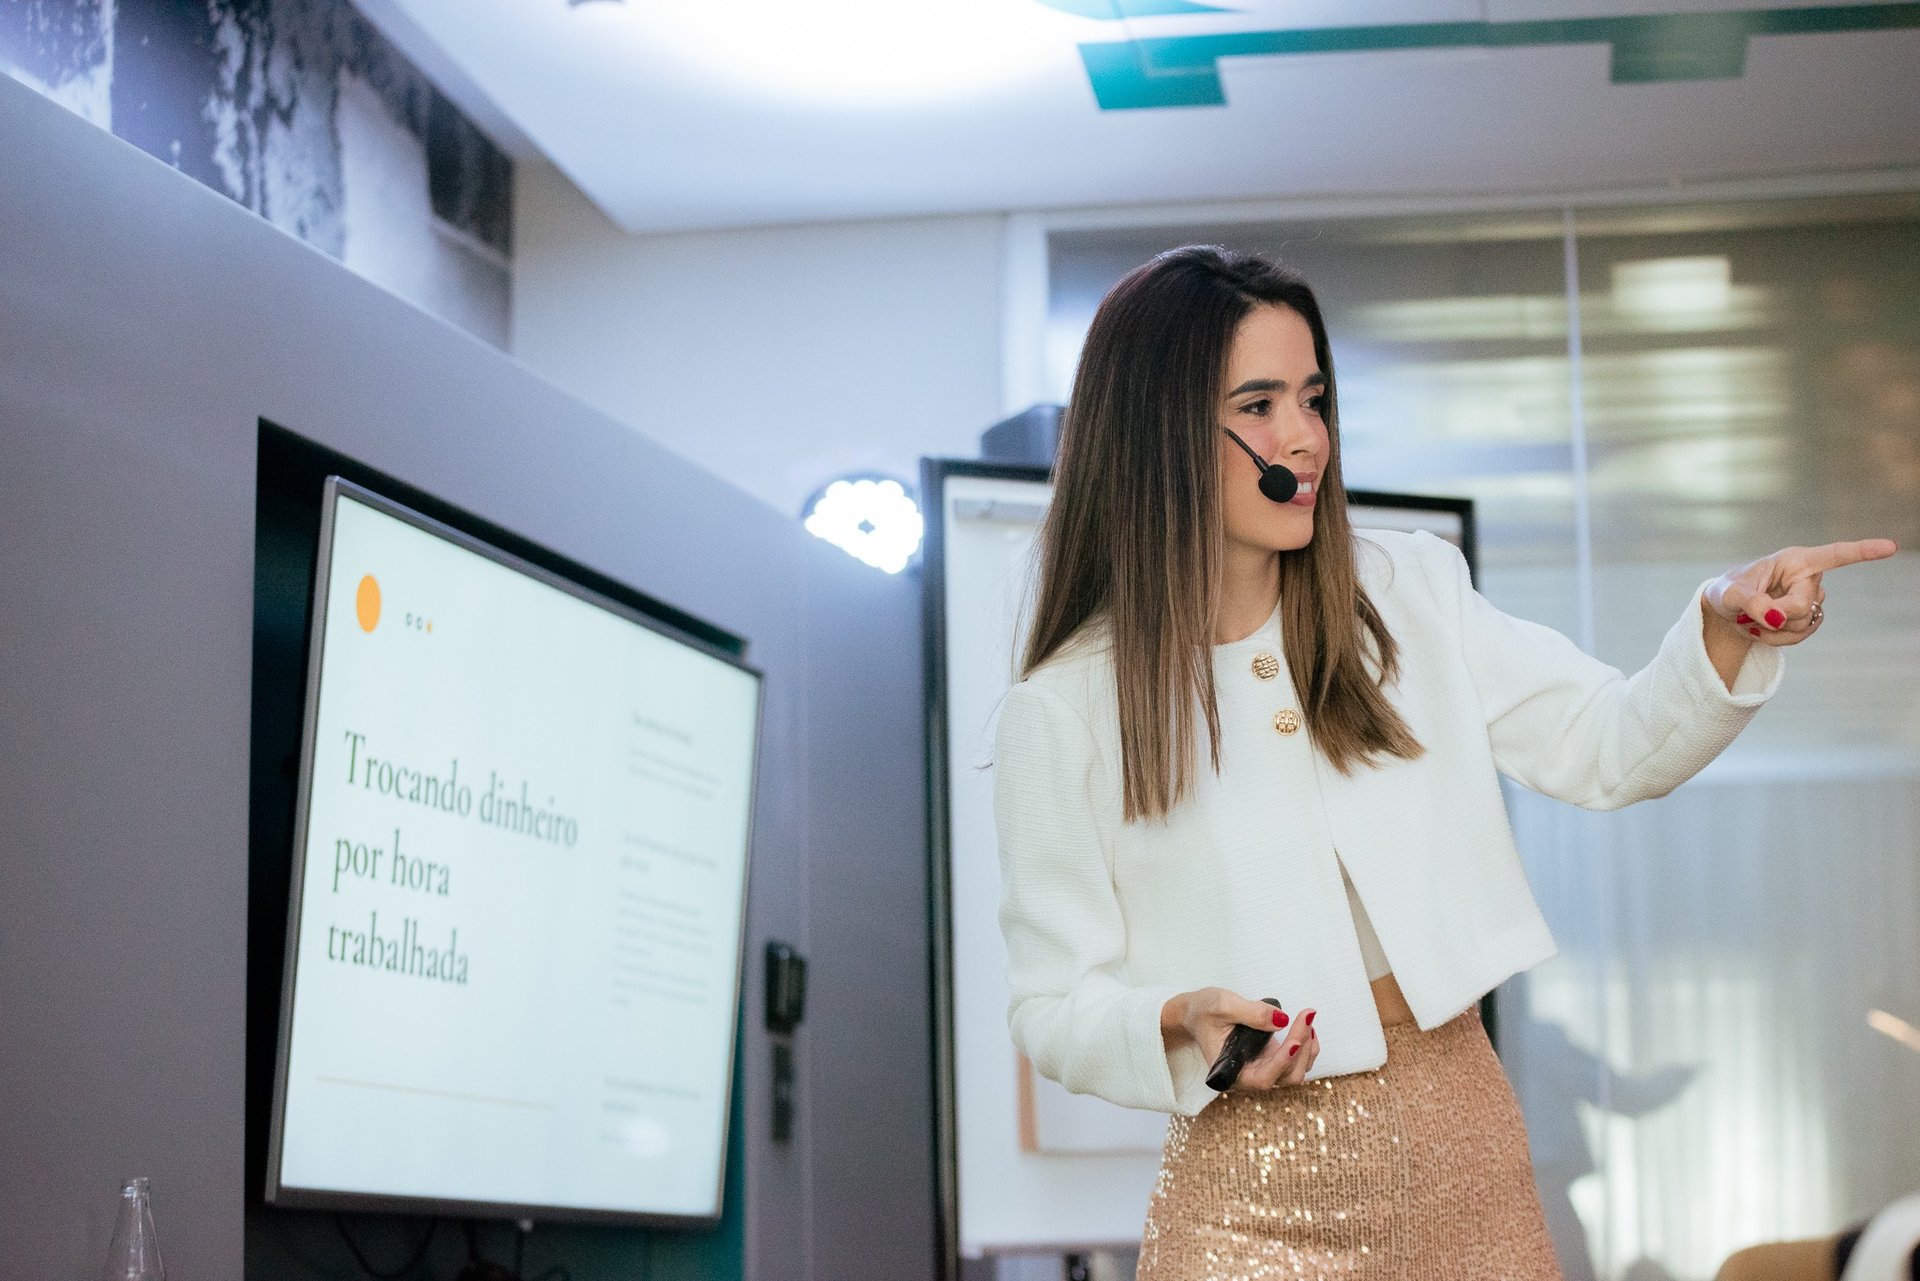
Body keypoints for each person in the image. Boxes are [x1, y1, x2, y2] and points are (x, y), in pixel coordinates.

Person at [989, 245, 1898, 1280]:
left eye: (1314, 397)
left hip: (1464, 1138)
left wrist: (1727, 631)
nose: (1306, 437)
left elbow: (1606, 745)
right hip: (1246, 1199)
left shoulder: (1406, 589)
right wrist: (1177, 1018)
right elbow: (1050, 1005)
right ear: (1160, 434)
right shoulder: (1065, 708)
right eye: (1260, 405)